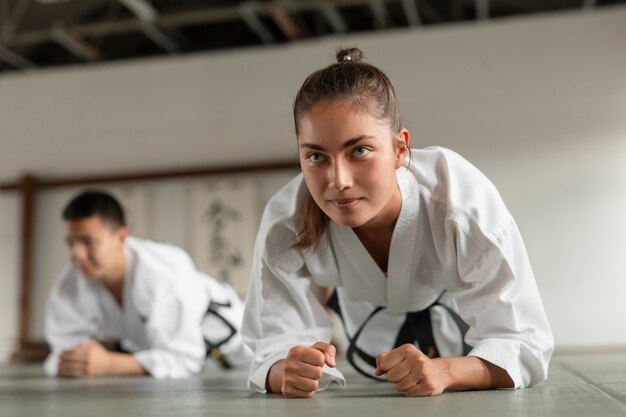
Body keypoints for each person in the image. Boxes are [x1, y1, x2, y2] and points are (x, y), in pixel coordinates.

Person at [241, 47, 554, 398]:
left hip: (459, 331)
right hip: (368, 336)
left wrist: (447, 370)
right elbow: (270, 346)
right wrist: (286, 369)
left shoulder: (462, 201)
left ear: (400, 149)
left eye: (359, 150)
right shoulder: (287, 222)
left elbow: (525, 342)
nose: (338, 180)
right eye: (316, 156)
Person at [44, 190, 251, 378]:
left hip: (242, 352)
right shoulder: (70, 285)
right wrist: (77, 361)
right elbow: (61, 354)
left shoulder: (164, 272)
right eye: (70, 243)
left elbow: (184, 359)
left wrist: (109, 363)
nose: (77, 255)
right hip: (171, 367)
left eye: (89, 242)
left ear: (121, 237)